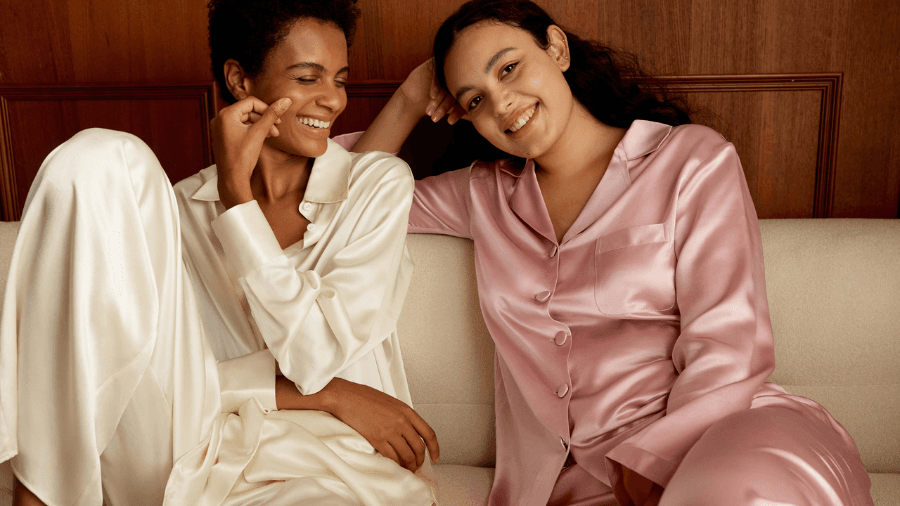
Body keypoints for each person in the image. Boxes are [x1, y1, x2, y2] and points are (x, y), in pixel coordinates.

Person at [352, 0, 873, 505]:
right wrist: (408, 98)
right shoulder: (482, 195)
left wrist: (654, 462)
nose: (501, 104)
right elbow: (348, 205)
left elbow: (728, 340)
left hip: (726, 437)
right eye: (474, 100)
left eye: (509, 69)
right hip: (577, 481)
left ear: (556, 48)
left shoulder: (691, 161)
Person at [0, 0, 439, 505]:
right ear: (240, 80)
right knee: (95, 157)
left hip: (336, 463)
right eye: (307, 78)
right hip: (195, 453)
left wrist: (238, 210)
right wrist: (335, 394)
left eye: (339, 80)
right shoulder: (175, 211)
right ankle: (34, 494)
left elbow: (314, 355)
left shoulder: (375, 188)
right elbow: (153, 375)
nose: (333, 101)